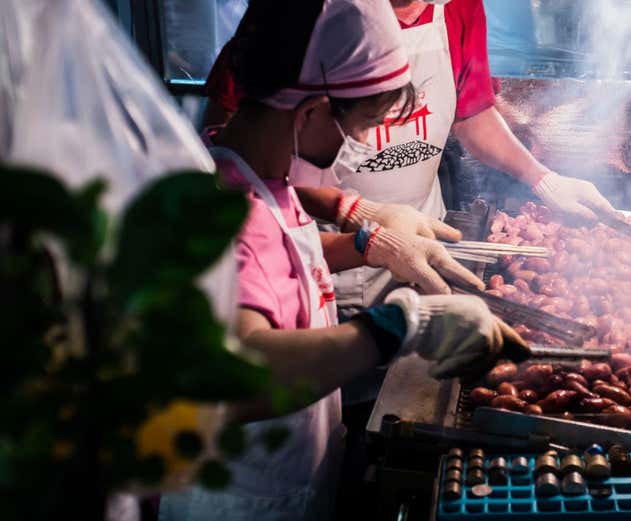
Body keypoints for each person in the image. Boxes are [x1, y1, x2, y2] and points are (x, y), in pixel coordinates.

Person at [158, 2, 526, 520]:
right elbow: (234, 374)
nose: (357, 142)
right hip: (241, 502)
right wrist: (396, 327)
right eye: (356, 125)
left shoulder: (262, 180)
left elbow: (286, 262)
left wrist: (364, 244)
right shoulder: (227, 219)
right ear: (308, 113)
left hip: (293, 478)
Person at [203, 0, 616, 316]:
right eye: (366, 119)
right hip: (312, 252)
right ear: (312, 110)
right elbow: (239, 158)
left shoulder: (454, 8)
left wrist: (542, 178)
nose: (367, 136)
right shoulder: (297, 17)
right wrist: (359, 235)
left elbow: (472, 112)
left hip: (413, 231)